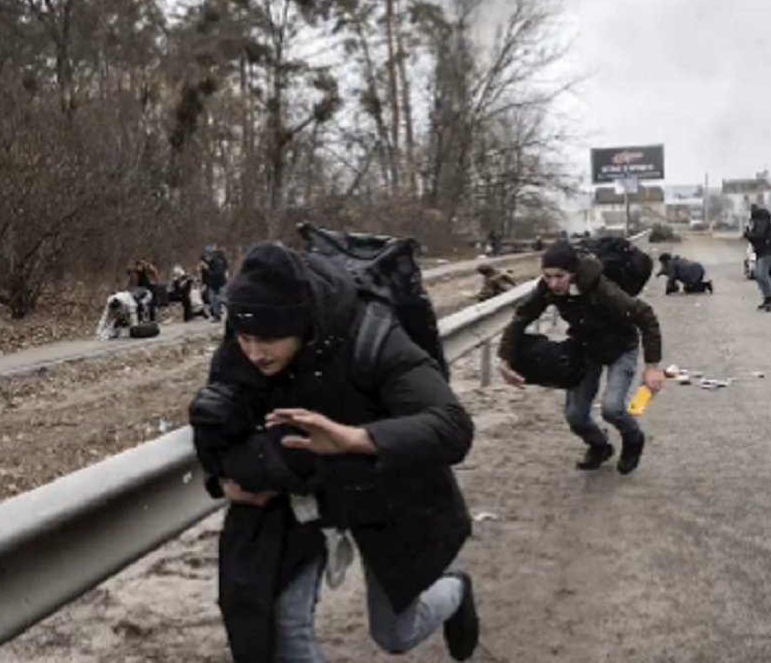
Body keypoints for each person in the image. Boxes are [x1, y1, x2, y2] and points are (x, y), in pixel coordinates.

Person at [187, 242, 480, 662]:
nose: (254, 353)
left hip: (386, 484)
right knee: (281, 625)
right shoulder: (243, 346)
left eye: (268, 340)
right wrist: (222, 481)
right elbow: (219, 425)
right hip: (304, 486)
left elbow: (454, 426)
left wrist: (355, 439)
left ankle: (456, 591)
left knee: (396, 633)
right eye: (244, 338)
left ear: (301, 323)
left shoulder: (373, 335)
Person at [496, 241, 666, 474]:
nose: (554, 283)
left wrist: (652, 366)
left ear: (573, 274)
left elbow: (645, 315)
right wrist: (504, 358)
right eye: (548, 276)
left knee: (612, 408)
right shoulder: (547, 288)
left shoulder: (600, 287)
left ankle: (634, 438)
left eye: (560, 276)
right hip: (586, 349)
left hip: (621, 348)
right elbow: (523, 315)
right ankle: (599, 446)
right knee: (575, 416)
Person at [199, 244, 229, 321]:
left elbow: (217, 273)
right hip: (212, 284)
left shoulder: (217, 262)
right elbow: (204, 275)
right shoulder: (206, 262)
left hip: (221, 282)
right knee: (213, 299)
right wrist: (204, 283)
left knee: (223, 299)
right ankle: (217, 315)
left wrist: (207, 270)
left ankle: (234, 312)